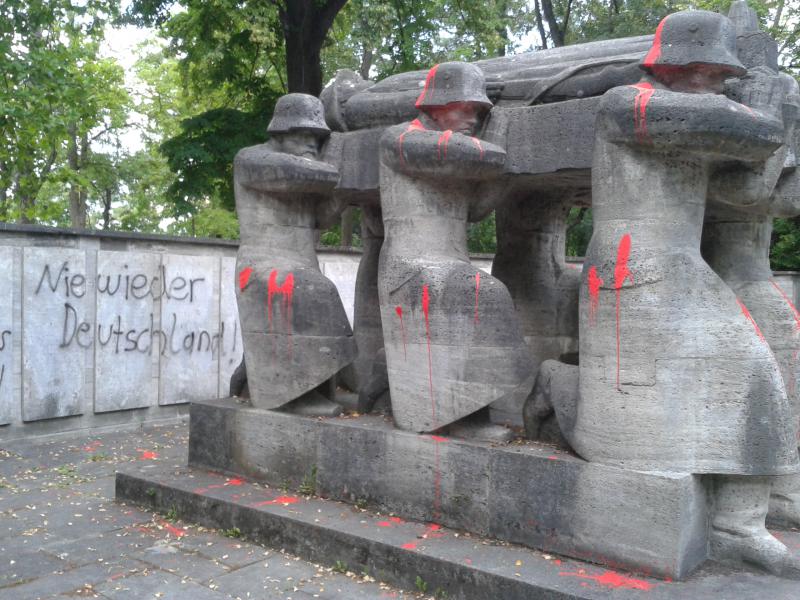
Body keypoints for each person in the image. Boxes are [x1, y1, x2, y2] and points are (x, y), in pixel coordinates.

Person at [561, 10, 800, 576]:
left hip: (674, 267)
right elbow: (752, 134)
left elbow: (753, 190)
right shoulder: (628, 104)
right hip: (634, 269)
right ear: (672, 65)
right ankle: (737, 525)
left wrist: (780, 120)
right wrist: (774, 107)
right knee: (753, 374)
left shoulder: (699, 120)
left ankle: (742, 519)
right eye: (706, 70)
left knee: (757, 374)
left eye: (721, 74)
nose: (714, 82)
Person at [377, 62, 533, 440]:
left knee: (477, 299)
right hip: (411, 267)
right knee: (485, 291)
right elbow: (476, 154)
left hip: (446, 267)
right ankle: (457, 418)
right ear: (436, 106)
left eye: (479, 112)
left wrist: (504, 166)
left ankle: (469, 415)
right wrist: (502, 137)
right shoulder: (401, 139)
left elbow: (476, 210)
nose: (473, 119)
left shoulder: (455, 157)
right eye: (466, 108)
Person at [233, 93, 355, 416]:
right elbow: (300, 174)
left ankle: (314, 388)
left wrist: (345, 192)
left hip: (300, 268)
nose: (313, 143)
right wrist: (343, 158)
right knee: (313, 291)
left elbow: (323, 218)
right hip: (263, 266)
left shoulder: (309, 178)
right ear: (281, 132)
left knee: (316, 291)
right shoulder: (252, 159)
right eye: (304, 134)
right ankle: (291, 395)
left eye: (318, 137)